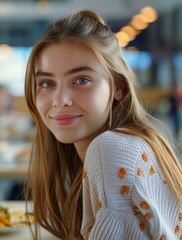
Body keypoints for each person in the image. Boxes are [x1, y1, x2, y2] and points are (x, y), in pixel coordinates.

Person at [23, 10, 182, 239]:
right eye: (47, 83)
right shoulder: (126, 142)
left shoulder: (110, 148)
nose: (60, 101)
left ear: (118, 87)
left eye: (81, 80)